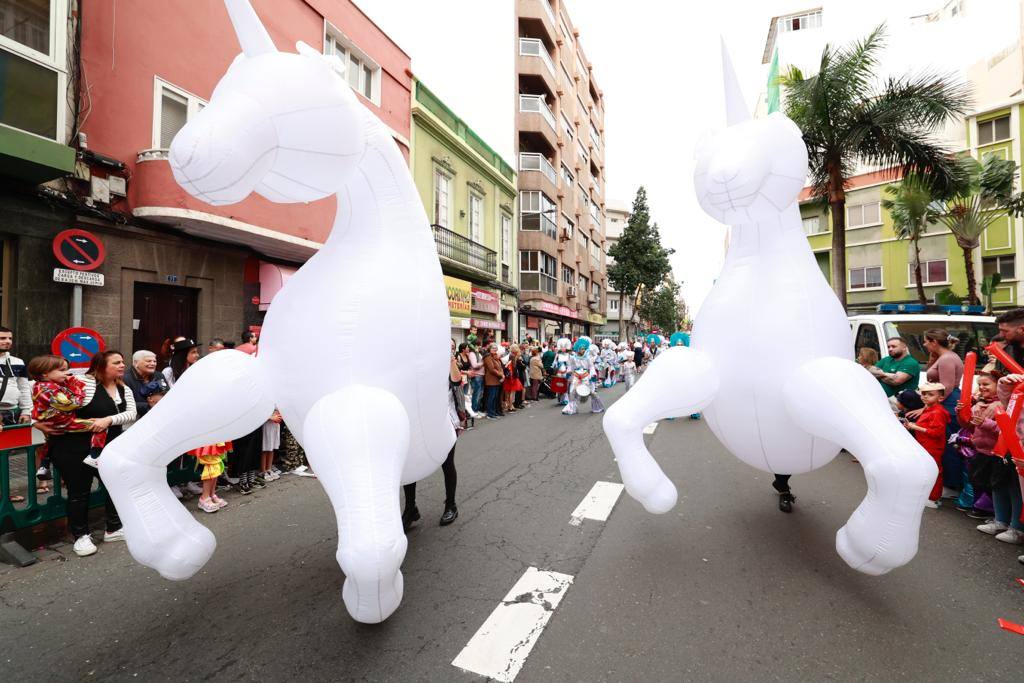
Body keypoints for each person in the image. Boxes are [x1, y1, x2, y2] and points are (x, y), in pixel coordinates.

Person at [36, 351, 135, 557]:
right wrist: (36, 422)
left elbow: (131, 414)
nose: (122, 365)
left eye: (123, 362)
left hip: (110, 446)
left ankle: (113, 528)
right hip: (73, 447)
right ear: (101, 365)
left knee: (115, 485)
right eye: (116, 362)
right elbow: (42, 393)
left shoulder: (124, 388)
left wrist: (108, 420)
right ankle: (81, 536)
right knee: (79, 492)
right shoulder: (83, 381)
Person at [402, 342, 464, 530]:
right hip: (419, 421)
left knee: (447, 462)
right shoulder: (420, 364)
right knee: (410, 463)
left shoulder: (447, 364)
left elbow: (456, 380)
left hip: (445, 419)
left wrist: (450, 358)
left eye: (451, 346)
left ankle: (451, 505)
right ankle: (411, 508)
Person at [27, 355, 108, 468]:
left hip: (54, 421)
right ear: (45, 373)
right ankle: (94, 456)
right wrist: (78, 388)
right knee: (100, 427)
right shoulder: (48, 388)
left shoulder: (46, 385)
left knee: (48, 442)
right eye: (62, 370)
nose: (67, 373)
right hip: (62, 421)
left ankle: (44, 466)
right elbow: (71, 404)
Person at [903, 382, 950, 508]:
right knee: (926, 470)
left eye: (930, 394)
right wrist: (913, 427)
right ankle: (926, 495)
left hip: (933, 446)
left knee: (934, 471)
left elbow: (937, 433)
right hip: (924, 445)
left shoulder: (938, 412)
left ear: (940, 398)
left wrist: (915, 427)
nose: (925, 397)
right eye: (923, 394)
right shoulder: (929, 409)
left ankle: (934, 498)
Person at [0, 327, 31, 426]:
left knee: (14, 441)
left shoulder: (18, 362)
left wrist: (26, 411)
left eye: (10, 338)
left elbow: (24, 388)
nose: (8, 341)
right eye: (3, 338)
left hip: (13, 412)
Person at [123, 350, 166, 420]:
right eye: (148, 361)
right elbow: (123, 403)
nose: (153, 364)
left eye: (154, 361)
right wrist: (148, 405)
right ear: (136, 363)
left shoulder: (159, 375)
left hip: (157, 417)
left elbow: (166, 393)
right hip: (133, 419)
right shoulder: (125, 378)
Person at [483, 343, 504, 419]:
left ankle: (494, 412)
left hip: (497, 380)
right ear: (489, 349)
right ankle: (490, 413)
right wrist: (500, 374)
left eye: (495, 348)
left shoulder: (494, 356)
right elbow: (491, 369)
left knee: (495, 397)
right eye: (493, 348)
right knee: (491, 397)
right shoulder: (488, 357)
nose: (494, 349)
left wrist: (501, 374)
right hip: (491, 380)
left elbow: (499, 367)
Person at [502, 345, 524, 413]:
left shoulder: (508, 355)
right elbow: (514, 367)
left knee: (508, 391)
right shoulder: (513, 356)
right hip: (512, 376)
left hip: (507, 376)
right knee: (512, 392)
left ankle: (508, 405)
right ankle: (511, 406)